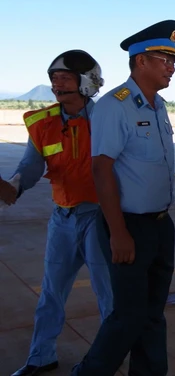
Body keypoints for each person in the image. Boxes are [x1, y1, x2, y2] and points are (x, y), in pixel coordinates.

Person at [70, 20, 175, 376]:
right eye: (163, 58)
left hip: (162, 224)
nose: (171, 67)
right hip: (130, 225)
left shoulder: (159, 106)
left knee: (151, 313)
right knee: (129, 316)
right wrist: (118, 233)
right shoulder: (115, 106)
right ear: (140, 62)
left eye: (173, 61)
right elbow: (102, 170)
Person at [0, 50, 111, 376]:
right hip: (62, 219)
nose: (56, 84)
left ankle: (108, 358)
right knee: (51, 293)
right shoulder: (43, 124)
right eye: (53, 79)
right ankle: (40, 356)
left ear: (87, 83)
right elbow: (30, 168)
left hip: (101, 219)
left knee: (110, 297)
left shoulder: (109, 118)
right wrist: (12, 187)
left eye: (64, 78)